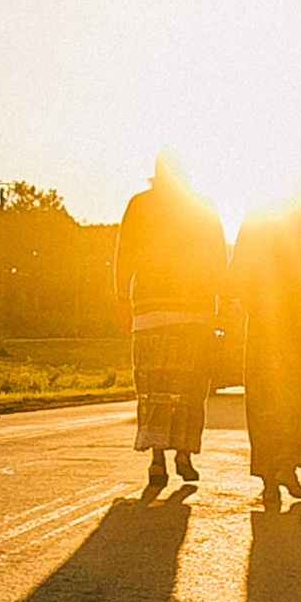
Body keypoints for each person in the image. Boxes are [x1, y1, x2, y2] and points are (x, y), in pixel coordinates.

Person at [112, 152, 228, 490]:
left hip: (150, 314)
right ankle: (184, 455)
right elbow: (218, 257)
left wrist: (123, 300)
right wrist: (220, 301)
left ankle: (157, 459)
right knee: (189, 389)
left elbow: (124, 254)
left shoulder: (139, 204)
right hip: (195, 315)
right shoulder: (203, 206)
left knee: (154, 388)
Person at [230, 191, 301, 511]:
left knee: (269, 395)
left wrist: (252, 300)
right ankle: (285, 467)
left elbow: (238, 268)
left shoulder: (259, 212)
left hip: (269, 320)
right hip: (299, 319)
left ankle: (273, 474)